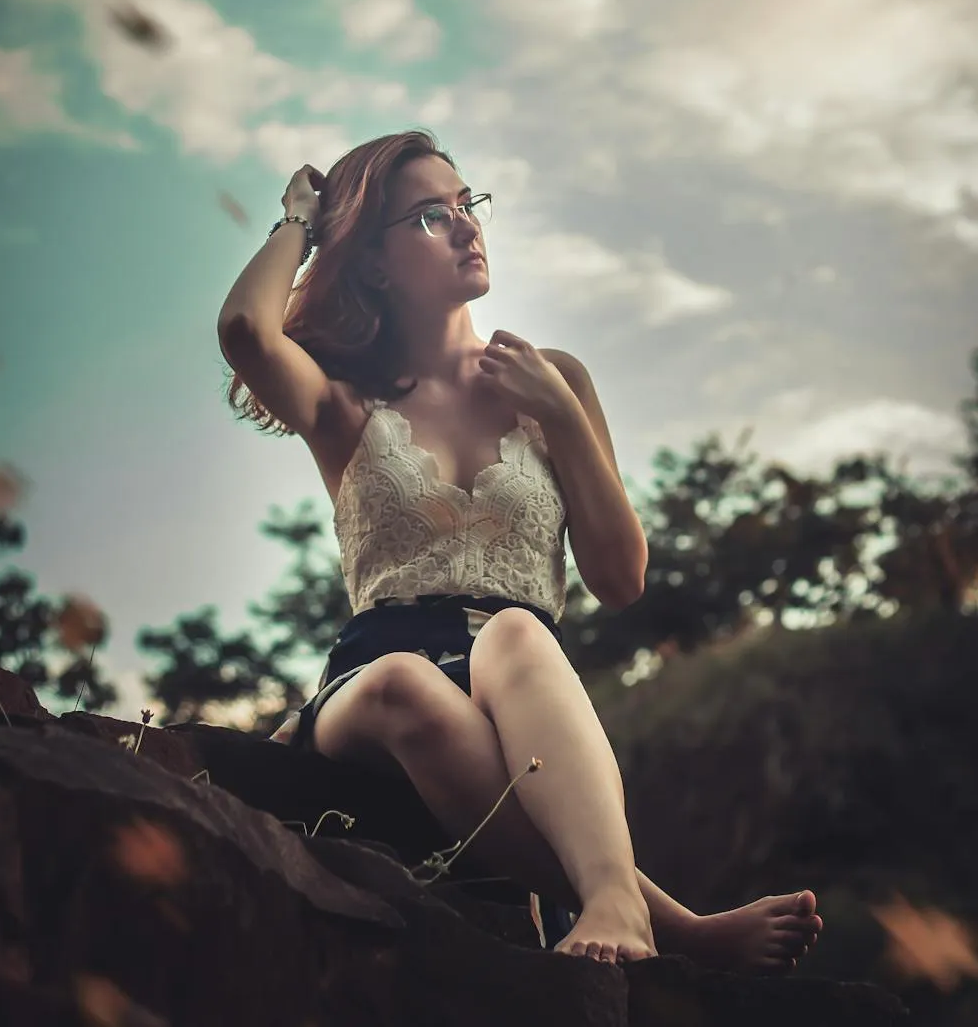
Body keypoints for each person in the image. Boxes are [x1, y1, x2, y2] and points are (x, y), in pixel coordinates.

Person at [217, 129, 823, 970]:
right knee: (404, 683)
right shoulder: (345, 404)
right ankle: (679, 927)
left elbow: (620, 579)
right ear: (376, 263)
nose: (467, 227)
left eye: (470, 204)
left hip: (518, 683)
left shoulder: (555, 380)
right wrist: (299, 222)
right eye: (431, 216)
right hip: (372, 678)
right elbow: (246, 329)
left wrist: (564, 416)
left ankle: (619, 903)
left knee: (513, 631)